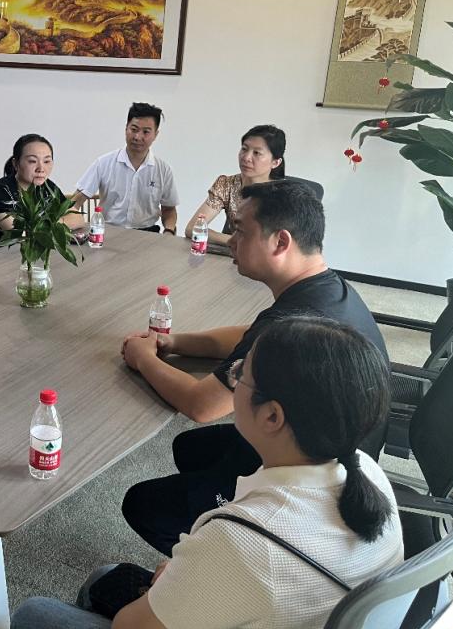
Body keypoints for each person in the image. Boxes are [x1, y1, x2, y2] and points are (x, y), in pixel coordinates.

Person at [11, 317, 403, 629]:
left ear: (272, 416)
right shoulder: (368, 473)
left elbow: (130, 626)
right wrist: (193, 574)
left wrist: (190, 573)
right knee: (106, 577)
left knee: (35, 614)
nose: (232, 378)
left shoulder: (243, 538)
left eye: (240, 374)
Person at [120, 179, 389, 555]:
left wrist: (142, 358)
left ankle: (211, 562)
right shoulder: (326, 289)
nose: (231, 241)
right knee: (189, 448)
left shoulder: (293, 319)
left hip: (311, 484)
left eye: (241, 231)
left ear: (280, 242)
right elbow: (250, 335)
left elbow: (201, 405)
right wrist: (175, 342)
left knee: (144, 505)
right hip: (326, 445)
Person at [71, 102, 179, 234]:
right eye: (134, 129)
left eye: (146, 132)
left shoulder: (163, 170)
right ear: (126, 128)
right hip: (108, 232)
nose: (138, 137)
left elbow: (169, 210)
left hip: (148, 234)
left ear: (155, 134)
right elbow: (76, 200)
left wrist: (169, 231)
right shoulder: (103, 163)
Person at [0, 133, 85, 244]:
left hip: (36, 251)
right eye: (32, 161)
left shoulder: (47, 186)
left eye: (46, 161)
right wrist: (59, 224)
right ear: (16, 163)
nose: (41, 168)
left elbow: (78, 218)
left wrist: (52, 224)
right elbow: (21, 234)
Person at [184, 124, 286, 246]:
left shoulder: (283, 195)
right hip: (234, 254)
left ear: (275, 162)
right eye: (244, 149)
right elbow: (193, 228)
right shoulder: (226, 185)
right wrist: (236, 241)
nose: (246, 157)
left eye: (257, 153)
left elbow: (279, 243)